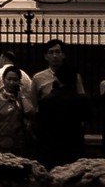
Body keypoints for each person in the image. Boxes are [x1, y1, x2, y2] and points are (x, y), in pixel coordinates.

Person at [30, 40, 89, 168]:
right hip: (49, 133)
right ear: (45, 56)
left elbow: (82, 99)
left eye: (58, 52)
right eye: (51, 52)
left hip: (71, 132)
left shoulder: (74, 76)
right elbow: (34, 107)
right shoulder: (38, 78)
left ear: (63, 54)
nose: (55, 56)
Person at [0, 65, 37, 157]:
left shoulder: (22, 99)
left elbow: (31, 113)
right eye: (9, 79)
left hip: (19, 147)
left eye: (15, 80)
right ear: (3, 80)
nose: (11, 83)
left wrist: (21, 95)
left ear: (19, 82)